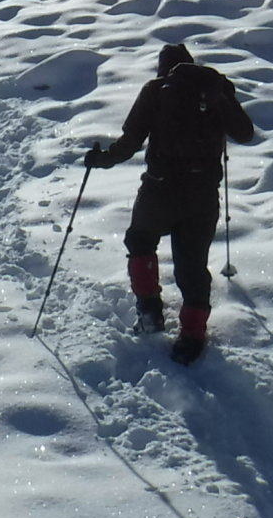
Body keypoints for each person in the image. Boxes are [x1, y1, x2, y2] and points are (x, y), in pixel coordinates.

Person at [86, 41, 255, 364]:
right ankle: (192, 336)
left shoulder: (156, 90)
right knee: (192, 266)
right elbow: (245, 134)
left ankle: (150, 310)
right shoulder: (215, 91)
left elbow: (130, 142)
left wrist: (100, 159)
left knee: (140, 241)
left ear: (164, 69)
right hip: (202, 196)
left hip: (159, 190)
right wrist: (221, 99)